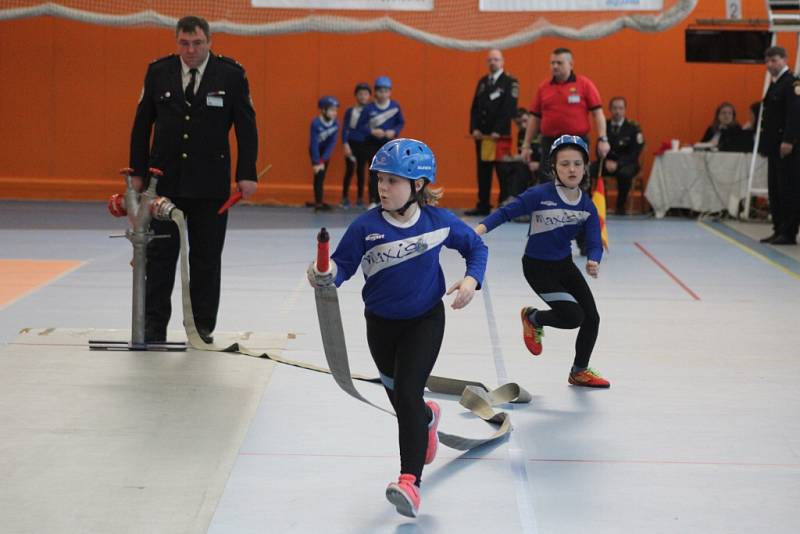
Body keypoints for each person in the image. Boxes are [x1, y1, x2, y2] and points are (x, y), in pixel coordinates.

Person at [307, 138, 488, 517]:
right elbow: (339, 268)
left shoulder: (439, 222)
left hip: (425, 321)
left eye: (393, 181)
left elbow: (477, 248)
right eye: (380, 180)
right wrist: (323, 273)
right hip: (380, 327)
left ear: (418, 185)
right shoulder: (365, 227)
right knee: (402, 402)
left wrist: (472, 280)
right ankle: (427, 418)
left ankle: (410, 482)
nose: (383, 188)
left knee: (406, 394)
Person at [129, 15, 258, 344]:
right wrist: (138, 172)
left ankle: (202, 328)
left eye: (197, 43)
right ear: (177, 42)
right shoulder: (158, 72)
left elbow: (246, 127)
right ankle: (153, 327)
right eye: (184, 43)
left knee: (206, 258)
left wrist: (247, 173)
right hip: (164, 184)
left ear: (209, 41)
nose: (190, 50)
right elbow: (142, 125)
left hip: (211, 186)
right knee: (160, 258)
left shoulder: (231, 74)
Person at [476, 135, 610, 389]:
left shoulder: (587, 206)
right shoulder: (540, 194)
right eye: (564, 164)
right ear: (553, 168)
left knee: (591, 318)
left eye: (577, 164)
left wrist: (594, 259)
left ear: (585, 168)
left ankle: (579, 371)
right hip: (537, 267)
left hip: (564, 266)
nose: (571, 169)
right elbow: (507, 212)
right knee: (573, 317)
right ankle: (534, 318)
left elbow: (594, 241)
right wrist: (479, 230)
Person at [521, 48, 610, 179]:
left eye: (559, 63)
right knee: (547, 180)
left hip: (576, 141)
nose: (555, 66)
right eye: (552, 63)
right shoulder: (543, 87)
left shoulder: (584, 84)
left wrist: (603, 139)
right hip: (549, 142)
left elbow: (598, 114)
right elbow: (534, 117)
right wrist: (526, 144)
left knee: (578, 181)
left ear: (571, 64)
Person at [467, 48, 520, 216]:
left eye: (496, 59)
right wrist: (474, 128)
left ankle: (504, 205)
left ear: (502, 61)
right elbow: (475, 107)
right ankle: (483, 204)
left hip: (500, 137)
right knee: (483, 170)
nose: (493, 62)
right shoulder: (483, 82)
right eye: (490, 60)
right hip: (483, 136)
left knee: (502, 170)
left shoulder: (510, 82)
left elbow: (509, 109)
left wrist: (497, 130)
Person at [758, 46, 800, 245]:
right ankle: (778, 228)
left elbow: (795, 114)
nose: (769, 65)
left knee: (788, 189)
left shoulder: (792, 83)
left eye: (774, 60)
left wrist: (789, 140)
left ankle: (789, 232)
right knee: (775, 190)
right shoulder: (776, 84)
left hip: (786, 147)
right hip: (774, 146)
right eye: (767, 61)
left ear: (784, 59)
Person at [590, 96, 644, 215]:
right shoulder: (605, 126)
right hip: (607, 162)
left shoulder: (633, 128)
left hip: (627, 163)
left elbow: (635, 153)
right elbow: (598, 148)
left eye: (620, 108)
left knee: (625, 174)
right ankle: (589, 205)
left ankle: (620, 207)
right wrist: (605, 162)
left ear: (625, 110)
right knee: (587, 170)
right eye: (614, 108)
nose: (617, 111)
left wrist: (618, 163)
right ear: (610, 109)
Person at [358, 76, 406, 208]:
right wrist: (372, 131)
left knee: (390, 172)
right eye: (380, 91)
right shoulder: (369, 108)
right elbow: (361, 126)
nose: (383, 94)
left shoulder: (395, 106)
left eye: (386, 91)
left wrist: (394, 131)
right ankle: (373, 199)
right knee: (374, 172)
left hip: (388, 145)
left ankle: (388, 199)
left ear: (390, 92)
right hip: (371, 144)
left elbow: (401, 122)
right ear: (375, 92)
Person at [340, 82, 372, 208]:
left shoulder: (372, 111)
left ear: (369, 96)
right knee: (349, 170)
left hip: (365, 145)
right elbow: (345, 128)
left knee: (362, 171)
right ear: (356, 95)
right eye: (360, 94)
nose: (363, 97)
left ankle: (360, 198)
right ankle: (345, 197)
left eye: (365, 94)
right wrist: (345, 144)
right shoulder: (350, 111)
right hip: (352, 144)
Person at [309, 95, 339, 211]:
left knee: (322, 175)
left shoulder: (335, 124)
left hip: (325, 154)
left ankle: (319, 200)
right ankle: (318, 202)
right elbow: (314, 143)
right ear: (323, 110)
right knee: (319, 176)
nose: (334, 113)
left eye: (335, 110)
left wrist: (323, 159)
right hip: (316, 152)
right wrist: (316, 162)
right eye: (332, 110)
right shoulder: (316, 123)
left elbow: (332, 143)